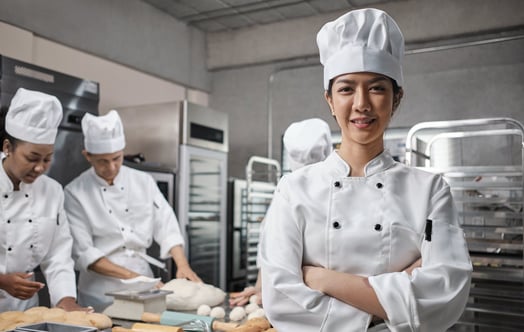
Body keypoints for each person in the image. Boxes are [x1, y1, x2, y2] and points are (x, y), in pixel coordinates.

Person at [259, 8, 472, 331]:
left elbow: (446, 293)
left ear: (396, 98)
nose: (361, 104)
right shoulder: (294, 189)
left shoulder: (429, 190)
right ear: (329, 100)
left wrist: (321, 278)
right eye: (346, 89)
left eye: (376, 88)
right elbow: (280, 301)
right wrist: (397, 299)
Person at [64, 110, 201, 312]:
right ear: (88, 156)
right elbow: (85, 254)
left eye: (116, 158)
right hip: (100, 292)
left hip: (145, 288)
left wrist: (182, 264)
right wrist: (138, 279)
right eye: (102, 161)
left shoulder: (142, 181)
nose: (111, 167)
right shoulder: (75, 192)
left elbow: (166, 223)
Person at [0, 88, 90, 312]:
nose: (40, 168)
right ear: (7, 148)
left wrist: (66, 299)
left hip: (24, 312)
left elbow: (58, 254)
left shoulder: (52, 191)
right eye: (31, 158)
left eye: (47, 159)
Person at [229, 118, 332, 307]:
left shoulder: (333, 190)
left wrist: (265, 287)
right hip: (296, 301)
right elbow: (270, 246)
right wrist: (262, 288)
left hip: (324, 299)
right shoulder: (287, 191)